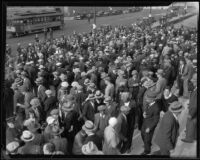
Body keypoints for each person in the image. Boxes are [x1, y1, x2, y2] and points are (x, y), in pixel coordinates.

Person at [181, 73, 197, 143]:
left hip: (193, 111)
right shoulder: (195, 88)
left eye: (193, 80)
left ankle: (189, 138)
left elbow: (195, 104)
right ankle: (195, 136)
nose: (192, 81)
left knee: (190, 124)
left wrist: (191, 113)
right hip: (194, 110)